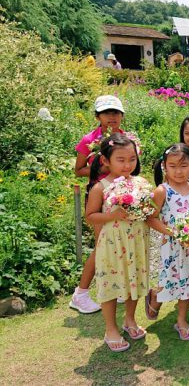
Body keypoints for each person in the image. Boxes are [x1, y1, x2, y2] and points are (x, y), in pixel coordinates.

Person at [85, 134, 149, 352]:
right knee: (110, 285)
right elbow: (90, 216)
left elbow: (150, 210)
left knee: (135, 282)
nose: (127, 164)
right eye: (121, 160)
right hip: (112, 244)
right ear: (105, 160)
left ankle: (130, 319)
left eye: (132, 159)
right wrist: (113, 215)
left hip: (137, 243)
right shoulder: (100, 187)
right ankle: (110, 329)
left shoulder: (141, 183)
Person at [145, 144, 189, 340]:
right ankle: (156, 295)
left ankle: (181, 320)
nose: (178, 171)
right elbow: (151, 218)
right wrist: (174, 233)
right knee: (170, 279)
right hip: (172, 247)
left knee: (187, 282)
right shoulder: (161, 191)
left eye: (183, 165)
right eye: (172, 166)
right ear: (165, 166)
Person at [69, 95, 127, 314]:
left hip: (122, 196)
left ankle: (117, 287)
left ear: (122, 116)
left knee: (119, 242)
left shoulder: (126, 138)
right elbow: (79, 169)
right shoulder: (88, 139)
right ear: (98, 116)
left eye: (115, 113)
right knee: (102, 244)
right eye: (106, 113)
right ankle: (81, 294)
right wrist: (101, 170)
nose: (111, 117)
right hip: (99, 195)